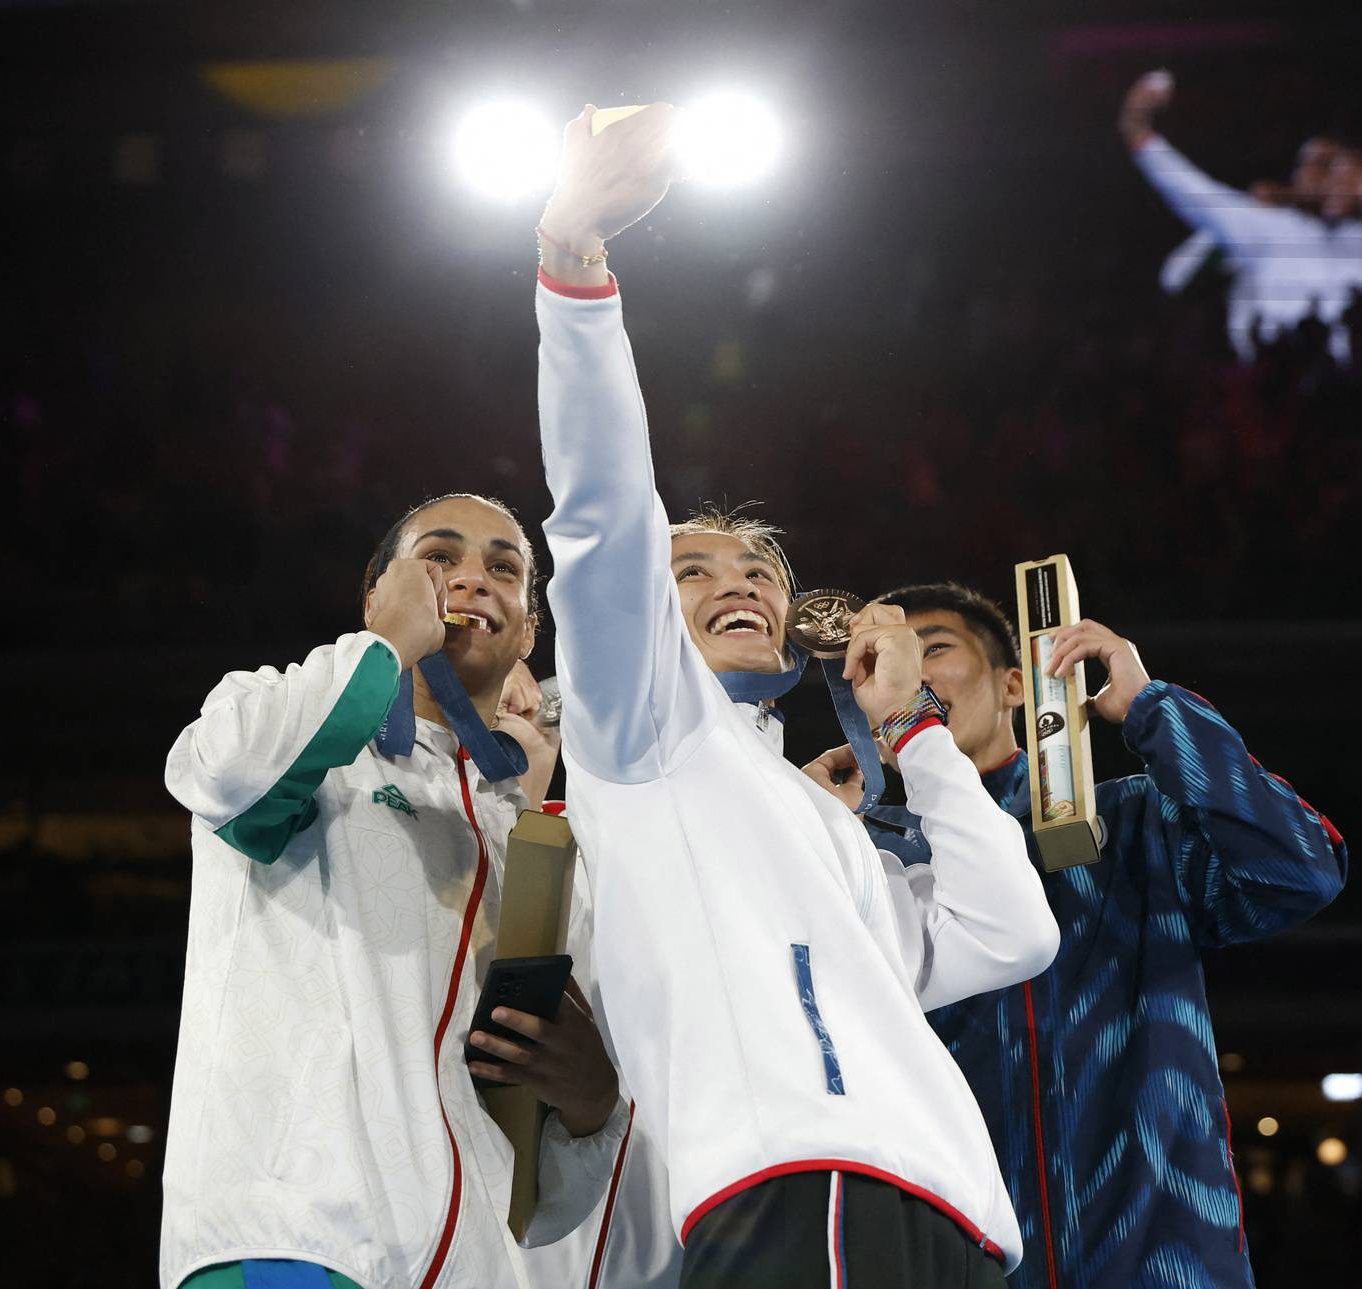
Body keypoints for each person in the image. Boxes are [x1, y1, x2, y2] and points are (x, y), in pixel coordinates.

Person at [529, 104, 1060, 1287]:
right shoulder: (639, 729)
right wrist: (573, 263)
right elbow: (606, 515)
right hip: (793, 1179)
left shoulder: (818, 814)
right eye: (698, 571)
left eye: (760, 572)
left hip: (953, 1204)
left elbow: (1012, 930)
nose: (740, 586)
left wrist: (913, 732)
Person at [809, 582, 1347, 1289]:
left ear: (1015, 684)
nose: (908, 669)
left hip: (1166, 1264)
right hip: (968, 1265)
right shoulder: (878, 870)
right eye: (887, 657)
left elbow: (1301, 870)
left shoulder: (1130, 825)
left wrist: (1157, 713)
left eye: (932, 647)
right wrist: (810, 831)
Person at [159, 492, 625, 1289]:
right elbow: (225, 772)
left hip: (474, 1264)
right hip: (301, 1244)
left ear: (529, 629)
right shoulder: (293, 728)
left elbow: (543, 1199)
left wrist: (593, 1105)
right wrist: (384, 647)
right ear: (378, 592)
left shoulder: (537, 847)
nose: (474, 578)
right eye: (440, 557)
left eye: (503, 567)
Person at [1119, 71, 1362, 361]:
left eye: (1334, 168)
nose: (1322, 177)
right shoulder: (1270, 226)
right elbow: (1194, 192)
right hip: (1282, 377)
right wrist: (1138, 127)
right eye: (1311, 166)